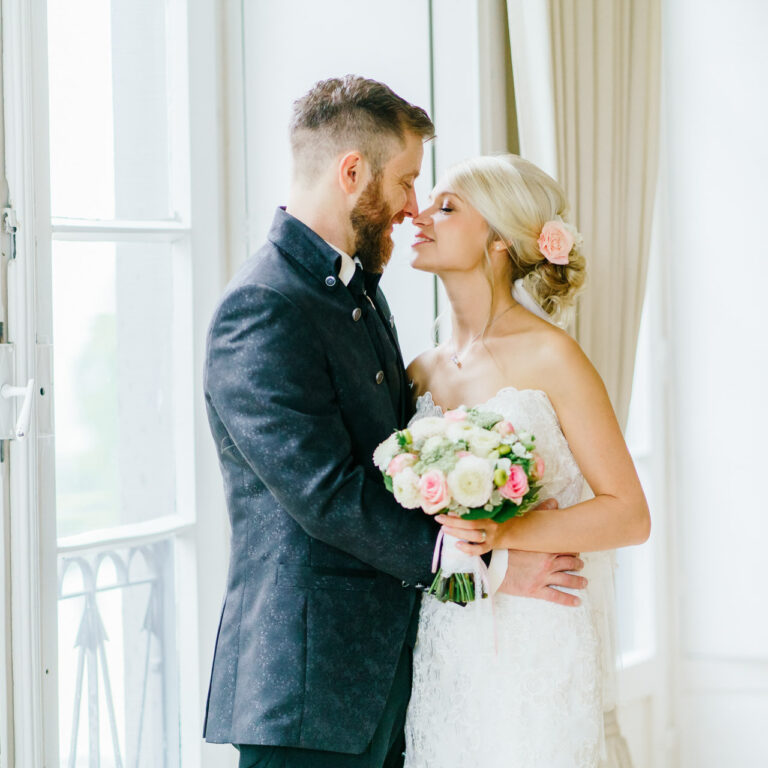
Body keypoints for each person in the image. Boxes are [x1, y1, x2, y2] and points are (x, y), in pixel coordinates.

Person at [203, 76, 587, 768]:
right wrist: (489, 565)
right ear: (352, 173)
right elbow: (325, 492)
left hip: (387, 681)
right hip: (307, 694)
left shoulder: (359, 292)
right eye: (407, 182)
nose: (413, 208)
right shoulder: (263, 307)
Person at [404, 154, 650, 768]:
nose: (419, 216)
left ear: (498, 241)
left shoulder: (552, 356)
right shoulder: (419, 371)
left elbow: (629, 514)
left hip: (536, 638)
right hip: (446, 634)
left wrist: (505, 534)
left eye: (446, 207)